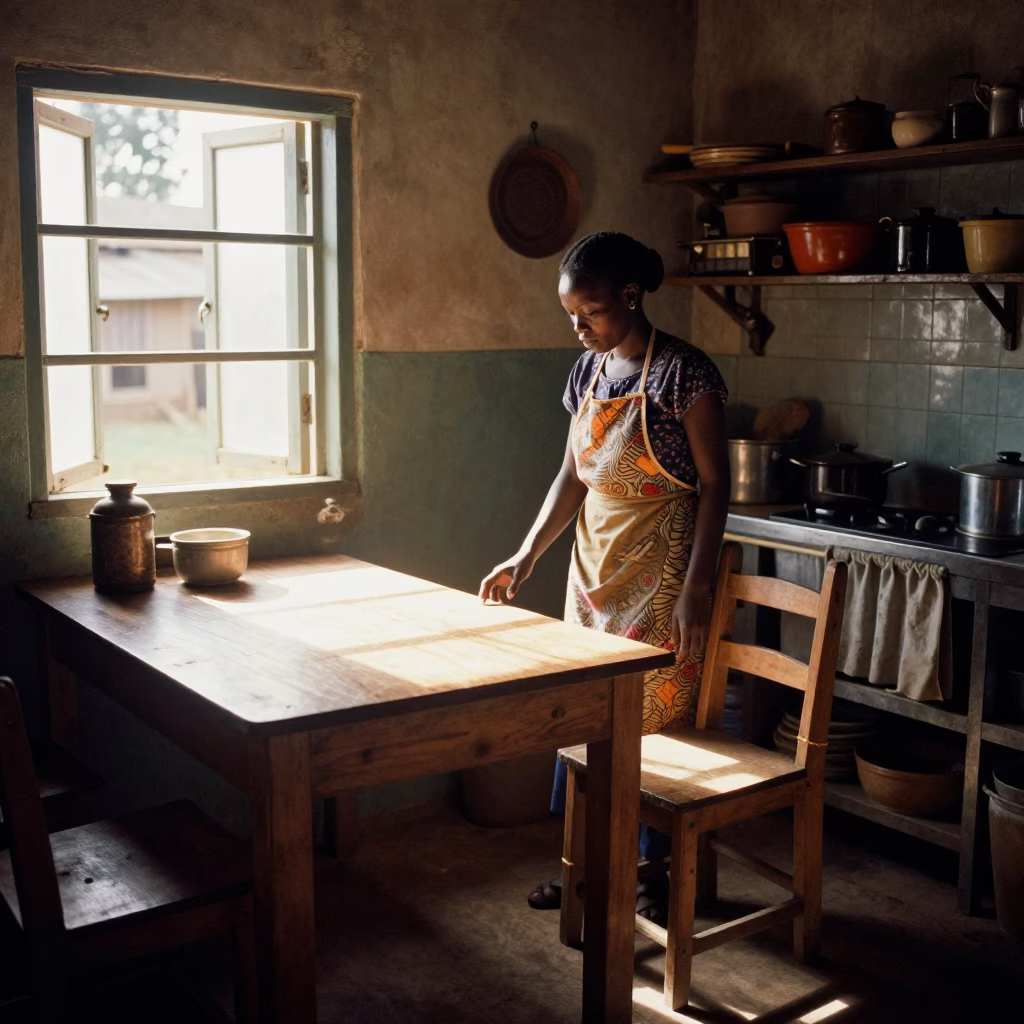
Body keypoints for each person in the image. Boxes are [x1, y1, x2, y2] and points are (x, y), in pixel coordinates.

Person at [478, 231, 731, 923]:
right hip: (592, 568)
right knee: (580, 711)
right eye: (570, 316)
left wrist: (698, 587)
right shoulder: (586, 373)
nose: (578, 327)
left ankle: (652, 868)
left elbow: (716, 484)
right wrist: (526, 553)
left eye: (589, 313)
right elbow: (572, 475)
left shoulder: (687, 373)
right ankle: (585, 858)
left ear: (629, 295)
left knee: (649, 719)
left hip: (661, 567)